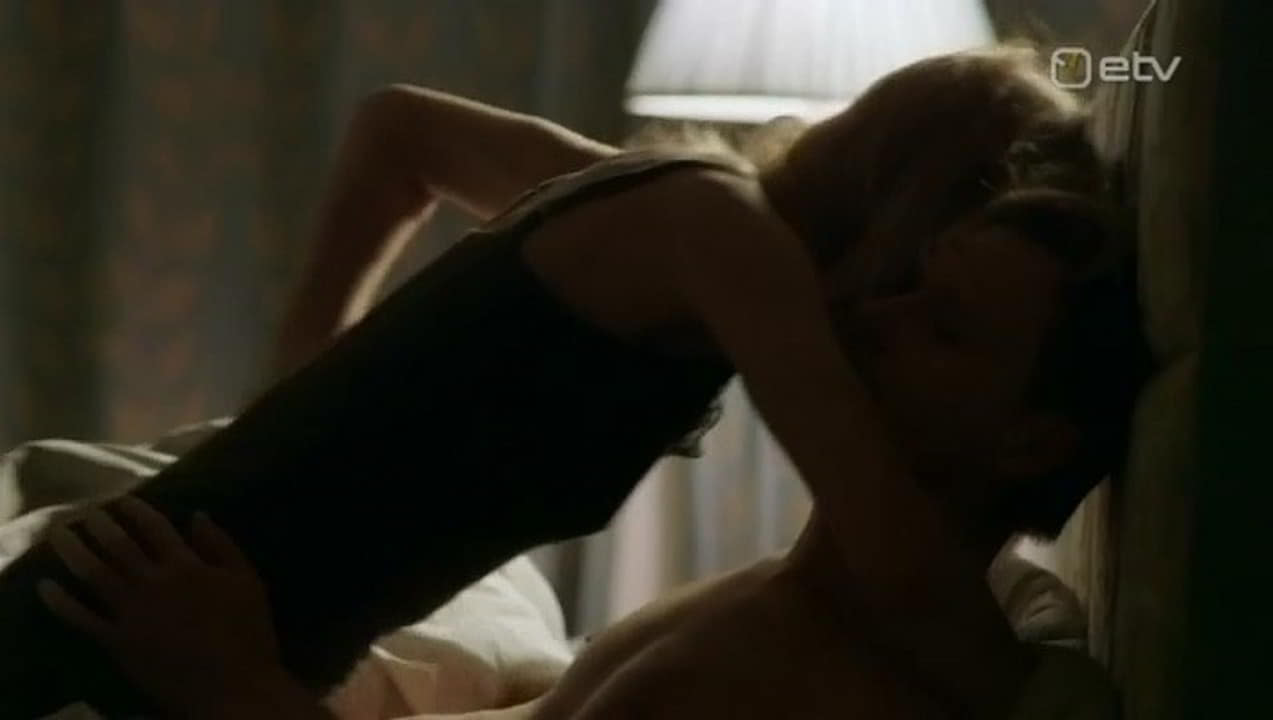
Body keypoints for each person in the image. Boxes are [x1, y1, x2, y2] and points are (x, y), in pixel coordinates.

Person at [22, 44, 1147, 718]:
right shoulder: (719, 237)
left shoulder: (803, 663)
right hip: (176, 601)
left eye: (940, 318)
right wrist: (285, 429)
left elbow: (899, 556)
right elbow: (886, 539)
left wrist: (234, 683)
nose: (872, 323)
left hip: (214, 628)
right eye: (912, 276)